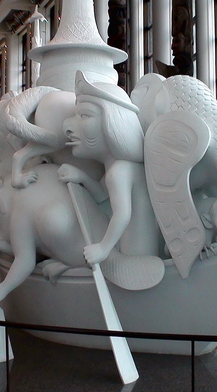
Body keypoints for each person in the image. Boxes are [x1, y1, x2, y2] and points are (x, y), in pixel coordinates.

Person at [59, 71, 161, 264]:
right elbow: (101, 196)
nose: (68, 126)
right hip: (135, 250)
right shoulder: (122, 167)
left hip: (133, 256)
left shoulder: (118, 171)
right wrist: (81, 177)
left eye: (84, 115)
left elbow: (122, 215)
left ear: (113, 122)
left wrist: (103, 249)